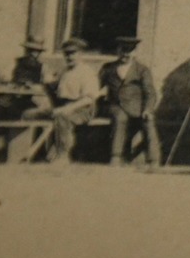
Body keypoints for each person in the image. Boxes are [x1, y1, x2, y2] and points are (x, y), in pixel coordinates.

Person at [22, 39, 102, 163]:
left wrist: (67, 108)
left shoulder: (87, 72)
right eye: (66, 53)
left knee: (62, 116)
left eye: (73, 53)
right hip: (63, 106)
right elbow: (55, 87)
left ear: (80, 54)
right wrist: (45, 83)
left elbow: (88, 99)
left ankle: (63, 155)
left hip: (83, 109)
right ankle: (35, 153)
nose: (69, 56)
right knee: (29, 114)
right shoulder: (65, 71)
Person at [100, 36, 161, 166]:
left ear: (135, 53)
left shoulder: (142, 70)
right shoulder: (108, 68)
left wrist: (148, 109)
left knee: (148, 122)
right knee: (120, 118)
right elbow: (94, 86)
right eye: (123, 50)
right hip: (115, 105)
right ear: (118, 51)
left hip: (137, 107)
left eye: (130, 51)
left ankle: (153, 160)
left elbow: (150, 93)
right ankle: (116, 156)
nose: (126, 54)